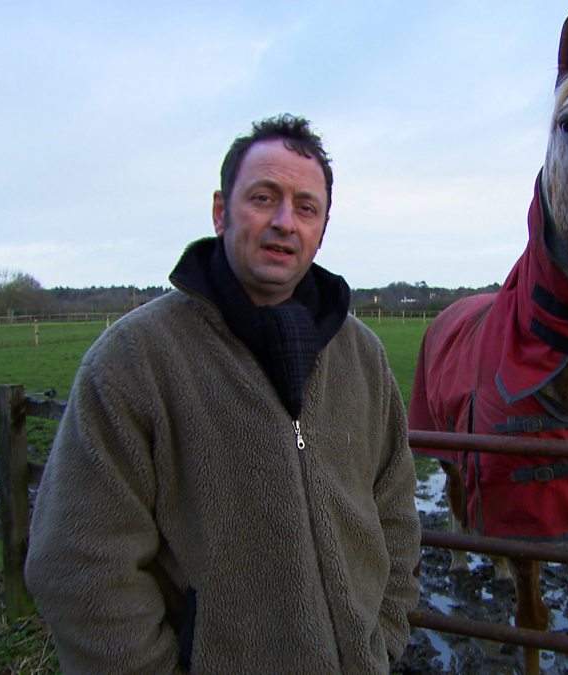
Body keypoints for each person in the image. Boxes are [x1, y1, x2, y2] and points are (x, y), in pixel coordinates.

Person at [25, 113, 421, 673]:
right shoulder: (135, 360)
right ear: (220, 211)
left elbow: (395, 509)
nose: (284, 222)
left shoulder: (363, 356)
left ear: (322, 227)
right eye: (263, 198)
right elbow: (79, 564)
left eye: (306, 207)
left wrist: (384, 635)